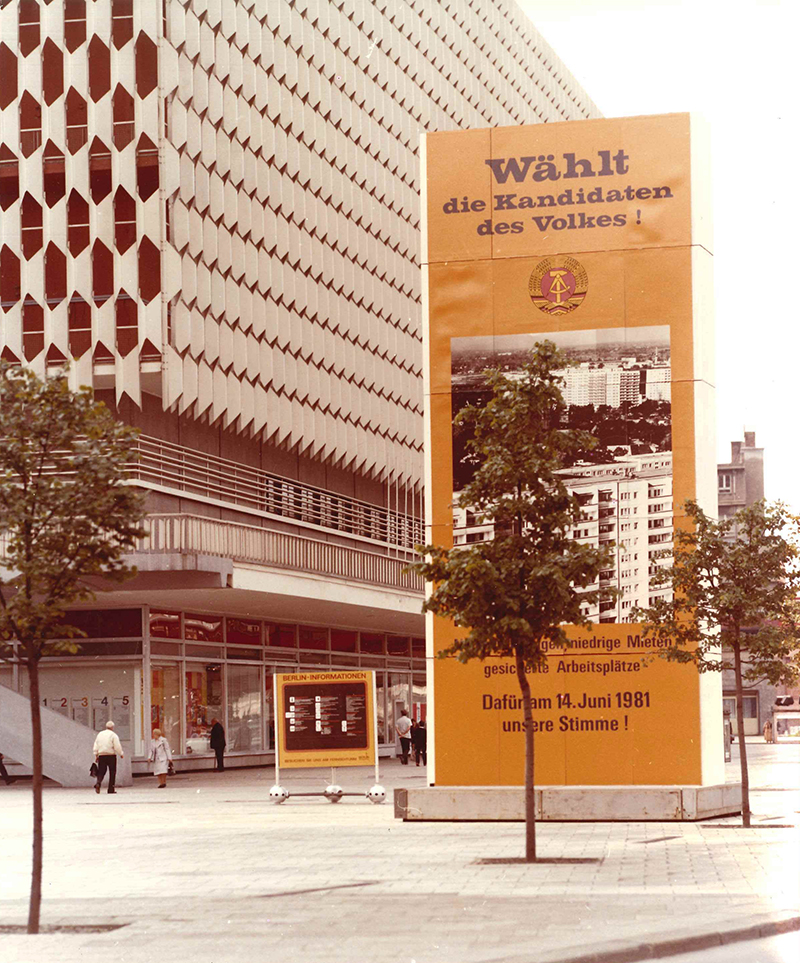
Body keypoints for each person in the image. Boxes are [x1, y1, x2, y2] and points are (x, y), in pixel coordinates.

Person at [92, 720, 124, 794]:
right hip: (111, 755)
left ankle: (98, 783)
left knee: (101, 771)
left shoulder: (100, 734)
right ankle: (111, 789)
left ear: (106, 727)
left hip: (101, 755)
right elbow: (117, 746)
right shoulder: (113, 735)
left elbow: (96, 744)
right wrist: (121, 753)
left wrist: (96, 754)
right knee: (112, 772)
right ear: (112, 727)